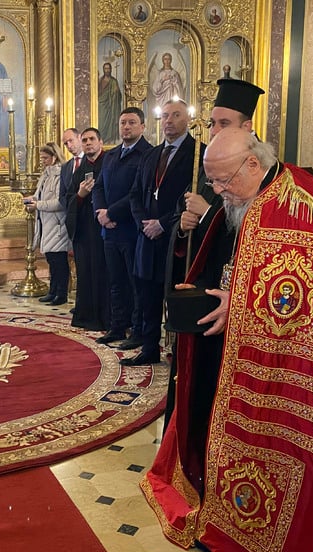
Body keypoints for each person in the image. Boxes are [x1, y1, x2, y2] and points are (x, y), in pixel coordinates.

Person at [142, 127, 313, 552]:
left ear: (253, 163)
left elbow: (309, 295)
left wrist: (242, 301)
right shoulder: (247, 198)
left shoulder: (302, 206)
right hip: (239, 358)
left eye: (222, 180)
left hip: (288, 374)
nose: (218, 192)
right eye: (212, 182)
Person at [162, 78, 264, 433]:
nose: (215, 130)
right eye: (212, 123)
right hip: (206, 298)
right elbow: (189, 217)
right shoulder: (212, 159)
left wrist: (207, 214)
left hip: (236, 308)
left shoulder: (258, 170)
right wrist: (185, 223)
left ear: (246, 127)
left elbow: (249, 237)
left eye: (224, 123)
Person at [125, 99, 201, 367]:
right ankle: (148, 348)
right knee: (147, 295)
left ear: (188, 119)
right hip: (147, 237)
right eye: (165, 115)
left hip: (177, 239)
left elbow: (194, 198)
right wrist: (144, 223)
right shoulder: (151, 154)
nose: (168, 120)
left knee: (176, 296)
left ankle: (182, 353)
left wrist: (163, 224)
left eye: (175, 115)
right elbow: (135, 193)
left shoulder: (197, 154)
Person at [93, 107, 152, 350]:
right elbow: (98, 187)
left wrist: (111, 213)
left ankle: (137, 330)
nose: (126, 127)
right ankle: (117, 325)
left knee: (135, 283)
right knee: (115, 281)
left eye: (131, 122)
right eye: (122, 122)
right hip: (110, 231)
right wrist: (100, 213)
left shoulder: (148, 154)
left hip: (131, 231)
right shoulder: (111, 155)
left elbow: (136, 193)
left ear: (142, 127)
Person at [60, 128, 109, 332]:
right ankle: (86, 317)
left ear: (100, 141)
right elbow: (70, 197)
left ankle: (106, 320)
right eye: (85, 140)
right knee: (86, 273)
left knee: (104, 275)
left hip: (105, 229)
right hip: (84, 230)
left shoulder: (109, 162)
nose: (88, 143)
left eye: (92, 139)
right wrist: (80, 195)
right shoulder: (80, 168)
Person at [24, 142, 71, 306]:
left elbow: (59, 202)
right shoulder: (46, 174)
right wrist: (32, 199)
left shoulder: (60, 175)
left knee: (59, 261)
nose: (42, 161)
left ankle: (61, 293)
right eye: (41, 157)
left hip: (57, 224)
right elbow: (40, 195)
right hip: (46, 223)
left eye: (45, 158)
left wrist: (38, 205)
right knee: (51, 260)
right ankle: (53, 291)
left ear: (54, 157)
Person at [98, 62, 122, 144]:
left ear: (111, 70)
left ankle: (109, 141)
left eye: (108, 68)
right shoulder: (100, 80)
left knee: (110, 123)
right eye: (105, 68)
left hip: (111, 107)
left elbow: (118, 96)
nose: (107, 70)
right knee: (101, 124)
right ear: (103, 70)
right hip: (102, 107)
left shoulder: (114, 81)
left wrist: (116, 93)